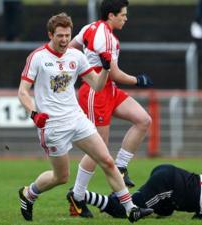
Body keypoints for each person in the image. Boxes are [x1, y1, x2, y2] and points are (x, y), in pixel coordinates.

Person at [17, 12, 152, 223]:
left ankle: (131, 208)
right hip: (52, 125)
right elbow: (23, 92)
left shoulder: (76, 56)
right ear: (50, 34)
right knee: (61, 177)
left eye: (67, 35)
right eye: (59, 35)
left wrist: (106, 68)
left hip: (77, 119)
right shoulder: (38, 57)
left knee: (107, 160)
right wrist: (34, 113)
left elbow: (97, 85)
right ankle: (29, 194)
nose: (64, 40)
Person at [67, 0, 153, 218]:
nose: (126, 18)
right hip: (96, 92)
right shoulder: (104, 37)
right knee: (99, 148)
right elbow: (113, 73)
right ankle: (76, 197)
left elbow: (71, 49)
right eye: (123, 15)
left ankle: (121, 167)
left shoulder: (91, 28)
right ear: (111, 15)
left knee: (143, 120)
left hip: (109, 90)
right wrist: (138, 80)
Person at [84, 164, 202, 221]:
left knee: (165, 210)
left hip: (168, 170)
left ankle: (120, 197)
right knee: (127, 212)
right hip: (167, 185)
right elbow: (198, 217)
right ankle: (81, 195)